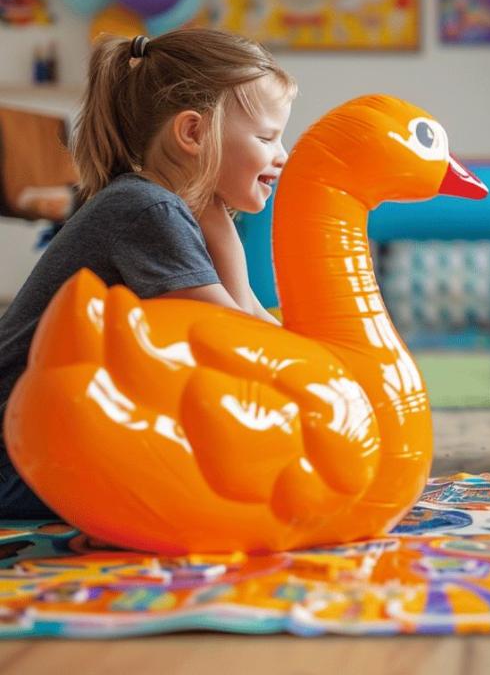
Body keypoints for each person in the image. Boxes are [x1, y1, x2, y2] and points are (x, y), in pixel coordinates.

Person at [0, 29, 296, 517]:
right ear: (194, 133)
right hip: (16, 459)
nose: (281, 153)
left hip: (36, 442)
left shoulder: (155, 203)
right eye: (267, 136)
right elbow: (234, 342)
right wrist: (221, 230)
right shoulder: (148, 210)